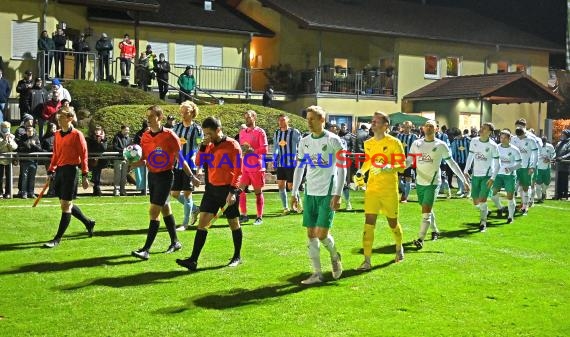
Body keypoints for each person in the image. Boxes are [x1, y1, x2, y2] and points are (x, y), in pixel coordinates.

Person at [175, 116, 243, 271]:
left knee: (233, 223)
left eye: (209, 133)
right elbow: (198, 162)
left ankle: (237, 256)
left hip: (228, 190)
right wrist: (203, 147)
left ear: (218, 130)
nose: (206, 136)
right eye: (204, 133)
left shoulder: (233, 145)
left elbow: (239, 171)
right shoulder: (208, 145)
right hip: (211, 190)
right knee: (202, 223)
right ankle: (193, 260)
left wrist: (233, 191)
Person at [130, 105, 196, 260]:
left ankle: (146, 250)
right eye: (147, 116)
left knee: (154, 211)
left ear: (159, 117)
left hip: (165, 177)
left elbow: (180, 158)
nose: (148, 118)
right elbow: (143, 158)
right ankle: (175, 242)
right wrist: (132, 161)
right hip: (152, 176)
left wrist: (191, 176)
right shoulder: (145, 136)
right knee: (165, 208)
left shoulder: (170, 135)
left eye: (151, 116)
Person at [289, 105, 344, 285]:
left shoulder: (334, 140)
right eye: (308, 119)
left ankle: (335, 256)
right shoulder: (304, 141)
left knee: (321, 234)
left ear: (322, 120)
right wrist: (295, 191)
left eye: (313, 119)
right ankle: (317, 274)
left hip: (327, 192)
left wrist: (338, 194)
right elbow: (300, 167)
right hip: (310, 192)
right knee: (311, 233)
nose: (309, 122)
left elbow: (342, 169)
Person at [353, 112, 406, 270]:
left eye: (376, 121)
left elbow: (402, 166)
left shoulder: (394, 143)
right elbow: (369, 161)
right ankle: (367, 261)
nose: (372, 124)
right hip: (372, 189)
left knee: (393, 223)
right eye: (372, 121)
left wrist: (388, 167)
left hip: (389, 190)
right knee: (369, 224)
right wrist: (361, 172)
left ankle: (399, 247)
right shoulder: (368, 143)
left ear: (385, 126)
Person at [408, 120, 469, 249]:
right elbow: (409, 160)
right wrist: (398, 166)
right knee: (427, 209)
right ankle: (435, 230)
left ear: (436, 129)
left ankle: (420, 239)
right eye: (427, 126)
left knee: (426, 210)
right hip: (420, 182)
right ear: (423, 128)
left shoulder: (441, 145)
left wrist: (463, 180)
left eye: (431, 126)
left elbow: (452, 163)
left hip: (433, 182)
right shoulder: (416, 143)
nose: (428, 128)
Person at [44, 107, 95, 248]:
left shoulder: (77, 135)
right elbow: (55, 154)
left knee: (65, 206)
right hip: (60, 171)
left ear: (70, 118)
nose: (59, 120)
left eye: (61, 117)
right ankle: (88, 222)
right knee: (65, 204)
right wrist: (51, 171)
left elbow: (84, 155)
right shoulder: (57, 134)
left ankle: (57, 239)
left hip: (72, 171)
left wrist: (85, 175)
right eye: (58, 117)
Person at [171, 101, 203, 231]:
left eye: (186, 112)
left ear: (192, 113)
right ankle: (195, 209)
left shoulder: (197, 129)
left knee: (187, 194)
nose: (183, 114)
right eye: (182, 112)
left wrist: (200, 168)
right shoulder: (176, 128)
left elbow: (201, 148)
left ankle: (185, 223)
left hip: (190, 165)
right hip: (178, 165)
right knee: (174, 193)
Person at [463, 122, 500, 232]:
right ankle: (485, 211)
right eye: (481, 127)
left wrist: (493, 178)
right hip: (476, 175)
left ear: (489, 132)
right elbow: (470, 156)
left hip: (487, 176)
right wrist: (466, 170)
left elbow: (498, 164)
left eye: (484, 128)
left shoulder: (493, 145)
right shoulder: (474, 141)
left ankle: (483, 222)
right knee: (475, 201)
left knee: (483, 200)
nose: (481, 129)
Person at [238, 110, 268, 225]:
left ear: (254, 118)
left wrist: (253, 151)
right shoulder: (242, 133)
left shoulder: (260, 132)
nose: (247, 119)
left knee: (258, 193)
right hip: (244, 166)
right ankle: (244, 215)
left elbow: (264, 150)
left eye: (249, 117)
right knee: (240, 191)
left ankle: (259, 217)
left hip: (257, 167)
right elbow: (242, 148)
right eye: (245, 117)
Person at [490, 129, 521, 224]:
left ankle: (510, 217)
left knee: (510, 196)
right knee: (492, 193)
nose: (502, 139)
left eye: (504, 138)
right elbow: (492, 160)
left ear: (509, 139)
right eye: (501, 137)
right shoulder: (496, 147)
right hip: (498, 174)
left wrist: (511, 169)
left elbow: (519, 163)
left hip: (509, 176)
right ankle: (501, 207)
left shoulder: (514, 150)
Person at [273, 113, 301, 214]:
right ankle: (285, 207)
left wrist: (298, 156)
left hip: (291, 163)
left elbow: (301, 145)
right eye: (280, 120)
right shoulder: (277, 133)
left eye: (283, 120)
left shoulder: (294, 132)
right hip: (281, 163)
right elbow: (276, 147)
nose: (281, 122)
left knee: (291, 186)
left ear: (288, 121)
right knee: (281, 185)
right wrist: (274, 158)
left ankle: (297, 205)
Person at [510, 123, 538, 215]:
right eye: (518, 137)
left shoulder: (531, 140)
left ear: (524, 133)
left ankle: (525, 207)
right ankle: (515, 205)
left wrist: (532, 166)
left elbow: (535, 154)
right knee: (514, 187)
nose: (519, 138)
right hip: (515, 166)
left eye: (521, 136)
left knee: (525, 187)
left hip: (526, 167)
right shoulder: (513, 139)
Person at [328, 124, 352, 210]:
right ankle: (332, 202)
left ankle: (348, 202)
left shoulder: (342, 141)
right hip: (330, 165)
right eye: (331, 129)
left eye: (334, 130)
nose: (332, 131)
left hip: (340, 164)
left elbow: (343, 152)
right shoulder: (325, 140)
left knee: (344, 184)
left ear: (337, 131)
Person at [16, 126, 43, 199]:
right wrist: (27, 146)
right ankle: (24, 193)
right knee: (24, 178)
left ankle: (31, 192)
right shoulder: (22, 138)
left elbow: (40, 149)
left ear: (33, 131)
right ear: (26, 131)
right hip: (24, 160)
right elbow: (19, 149)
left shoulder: (36, 138)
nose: (30, 132)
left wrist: (34, 145)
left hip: (33, 161)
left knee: (32, 178)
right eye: (28, 131)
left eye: (31, 131)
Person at [396, 121, 418, 203]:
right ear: (402, 127)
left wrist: (414, 160)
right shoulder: (399, 136)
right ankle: (402, 192)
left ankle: (405, 197)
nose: (406, 128)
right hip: (399, 160)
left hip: (409, 161)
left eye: (408, 127)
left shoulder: (414, 137)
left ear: (411, 127)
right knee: (398, 178)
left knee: (408, 178)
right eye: (405, 127)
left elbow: (417, 149)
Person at [86, 125, 108, 196]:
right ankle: (96, 187)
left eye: (99, 130)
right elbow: (89, 148)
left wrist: (101, 141)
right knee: (94, 172)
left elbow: (104, 148)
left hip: (99, 160)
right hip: (91, 159)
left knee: (97, 172)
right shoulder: (89, 139)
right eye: (96, 130)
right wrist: (96, 141)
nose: (97, 132)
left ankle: (96, 187)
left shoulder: (104, 139)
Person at [450, 127, 470, 197]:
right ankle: (460, 189)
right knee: (459, 175)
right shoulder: (455, 141)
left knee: (466, 176)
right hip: (459, 161)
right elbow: (453, 152)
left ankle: (467, 191)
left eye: (458, 136)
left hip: (467, 162)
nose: (457, 138)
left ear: (461, 134)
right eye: (456, 136)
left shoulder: (468, 140)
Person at [111, 125, 131, 196]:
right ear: (122, 130)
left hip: (126, 159)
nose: (127, 131)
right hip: (118, 159)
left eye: (128, 130)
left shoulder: (129, 138)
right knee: (118, 175)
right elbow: (115, 147)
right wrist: (124, 150)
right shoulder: (116, 137)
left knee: (124, 176)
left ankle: (122, 190)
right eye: (126, 130)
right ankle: (116, 190)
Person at [535, 136, 556, 202]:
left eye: (544, 142)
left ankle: (543, 192)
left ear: (546, 141)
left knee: (547, 183)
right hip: (538, 168)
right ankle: (539, 198)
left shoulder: (550, 146)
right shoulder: (536, 146)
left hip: (547, 168)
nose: (543, 144)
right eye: (542, 142)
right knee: (538, 184)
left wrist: (549, 159)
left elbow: (554, 154)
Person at [0, 121, 18, 199]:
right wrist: (4, 140)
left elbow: (15, 147)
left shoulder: (12, 136)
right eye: (4, 127)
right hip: (0, 159)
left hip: (9, 159)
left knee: (9, 177)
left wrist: (10, 141)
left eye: (7, 127)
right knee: (0, 177)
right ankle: (0, 192)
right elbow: (1, 148)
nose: (6, 129)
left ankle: (8, 192)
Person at [41, 122, 57, 197]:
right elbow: (41, 149)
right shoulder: (45, 138)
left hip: (57, 159)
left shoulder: (58, 136)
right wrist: (49, 151)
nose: (54, 129)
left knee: (56, 176)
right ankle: (51, 191)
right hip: (48, 159)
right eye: (52, 128)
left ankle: (54, 191)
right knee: (51, 175)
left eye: (55, 128)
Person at [133, 120, 149, 194]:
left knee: (149, 172)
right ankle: (142, 188)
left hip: (150, 156)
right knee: (140, 172)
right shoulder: (138, 135)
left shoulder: (153, 133)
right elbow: (135, 145)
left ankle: (148, 187)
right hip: (140, 156)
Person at [554, 129, 570, 199]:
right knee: (558, 180)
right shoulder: (559, 143)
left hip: (565, 165)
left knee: (564, 179)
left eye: (563, 134)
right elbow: (555, 151)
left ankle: (565, 194)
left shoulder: (569, 143)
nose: (562, 135)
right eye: (562, 134)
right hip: (559, 165)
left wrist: (562, 157)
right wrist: (554, 158)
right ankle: (559, 194)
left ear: (567, 135)